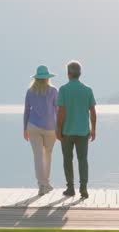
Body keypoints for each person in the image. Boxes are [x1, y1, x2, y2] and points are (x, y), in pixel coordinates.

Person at [56, 60, 96, 199]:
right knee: (83, 159)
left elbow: (61, 111)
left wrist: (58, 129)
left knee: (68, 159)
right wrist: (93, 129)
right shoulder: (87, 90)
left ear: (68, 74)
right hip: (83, 131)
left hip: (67, 131)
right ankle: (84, 188)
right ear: (80, 74)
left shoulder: (63, 90)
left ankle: (70, 188)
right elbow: (92, 111)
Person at [23, 65, 59, 196]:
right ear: (47, 77)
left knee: (37, 155)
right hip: (51, 128)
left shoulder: (30, 91)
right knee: (47, 155)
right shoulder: (54, 91)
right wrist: (60, 127)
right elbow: (58, 110)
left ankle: (41, 185)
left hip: (33, 126)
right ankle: (46, 183)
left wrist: (24, 129)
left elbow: (27, 110)